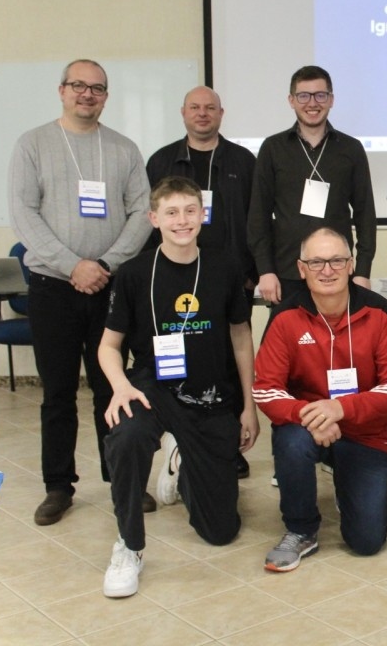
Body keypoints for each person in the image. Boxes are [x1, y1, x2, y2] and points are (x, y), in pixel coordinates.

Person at [97, 177, 258, 598]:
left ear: (202, 215)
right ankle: (129, 546)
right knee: (127, 435)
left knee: (221, 532)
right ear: (154, 219)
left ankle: (180, 463)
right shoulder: (133, 274)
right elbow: (109, 346)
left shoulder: (225, 267)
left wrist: (249, 406)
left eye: (190, 210)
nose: (182, 220)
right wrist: (119, 387)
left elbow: (241, 337)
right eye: (171, 212)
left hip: (211, 394)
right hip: (155, 387)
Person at [8, 58, 152, 527]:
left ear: (106, 96)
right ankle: (58, 485)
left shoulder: (124, 149)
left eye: (97, 88)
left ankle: (119, 478)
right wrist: (75, 267)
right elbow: (24, 216)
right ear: (62, 90)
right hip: (53, 287)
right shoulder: (32, 145)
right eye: (78, 86)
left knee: (112, 386)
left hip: (110, 286)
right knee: (58, 392)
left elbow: (141, 213)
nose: (87, 95)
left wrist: (105, 265)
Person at [253, 227, 387, 571]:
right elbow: (265, 389)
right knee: (292, 444)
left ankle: (348, 486)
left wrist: (340, 408)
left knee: (367, 542)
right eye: (316, 262)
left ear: (351, 264)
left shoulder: (379, 312)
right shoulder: (284, 317)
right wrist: (311, 415)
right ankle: (301, 529)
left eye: (336, 260)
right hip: (306, 427)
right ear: (301, 268)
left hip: (363, 433)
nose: (327, 270)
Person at [147, 85, 257, 478]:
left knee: (227, 361)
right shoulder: (162, 160)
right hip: (173, 279)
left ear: (222, 113)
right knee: (184, 360)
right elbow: (150, 226)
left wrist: (251, 274)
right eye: (195, 107)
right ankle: (180, 438)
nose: (203, 114)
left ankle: (229, 443)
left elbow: (256, 219)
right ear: (183, 113)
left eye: (210, 108)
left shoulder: (243, 160)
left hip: (229, 279)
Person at [249, 65, 377, 313]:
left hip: (337, 273)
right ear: (291, 100)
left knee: (337, 348)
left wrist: (362, 271)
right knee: (285, 348)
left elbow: (365, 215)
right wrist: (265, 270)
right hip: (287, 273)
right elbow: (258, 216)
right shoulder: (273, 149)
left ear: (331, 99)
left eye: (320, 95)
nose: (312, 103)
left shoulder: (351, 149)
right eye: (303, 96)